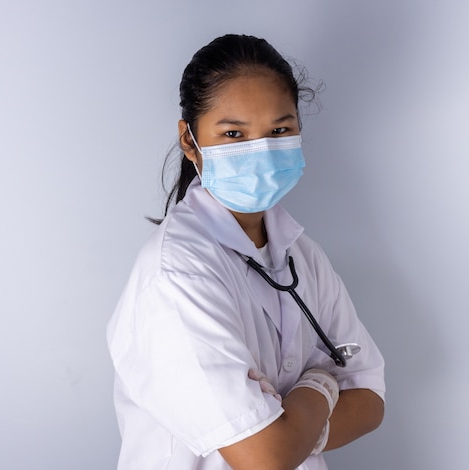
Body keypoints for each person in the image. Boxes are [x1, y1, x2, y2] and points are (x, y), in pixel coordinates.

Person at [107, 34, 385, 470]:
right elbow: (266, 457)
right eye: (234, 133)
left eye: (279, 131)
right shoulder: (177, 273)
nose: (260, 151)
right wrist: (321, 385)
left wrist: (297, 431)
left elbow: (369, 397)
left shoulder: (303, 257)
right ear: (189, 139)